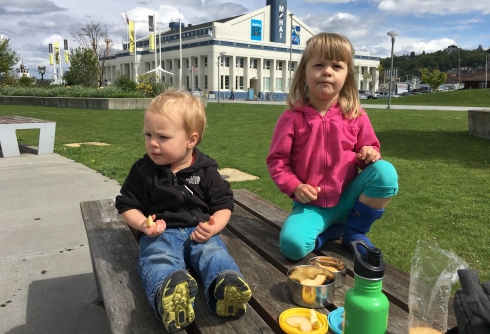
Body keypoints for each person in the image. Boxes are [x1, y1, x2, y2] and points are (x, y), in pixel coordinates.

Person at [115, 88, 251, 333]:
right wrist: (144, 225)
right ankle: (167, 294)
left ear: (191, 140)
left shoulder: (206, 170)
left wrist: (213, 227)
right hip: (162, 234)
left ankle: (225, 288)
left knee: (214, 254)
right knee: (157, 259)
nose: (152, 143)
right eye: (148, 135)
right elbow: (127, 205)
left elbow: (224, 204)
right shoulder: (144, 170)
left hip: (200, 233)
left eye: (163, 137)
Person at [266, 33, 398, 260]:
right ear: (304, 73)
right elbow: (277, 161)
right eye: (319, 65)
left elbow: (369, 150)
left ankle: (355, 232)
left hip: (349, 198)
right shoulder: (292, 118)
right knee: (292, 247)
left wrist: (368, 153)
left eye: (336, 66)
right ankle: (328, 232)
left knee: (385, 172)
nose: (327, 71)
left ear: (347, 76)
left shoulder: (356, 115)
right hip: (312, 205)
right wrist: (295, 186)